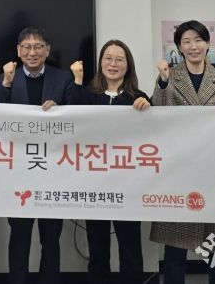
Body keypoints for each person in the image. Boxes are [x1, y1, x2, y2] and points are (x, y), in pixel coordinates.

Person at [149, 20, 215, 284]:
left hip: (214, 173)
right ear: (179, 47)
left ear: (208, 44)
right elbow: (157, 114)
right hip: (180, 171)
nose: (193, 46)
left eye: (198, 40)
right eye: (186, 41)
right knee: (175, 250)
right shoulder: (169, 77)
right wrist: (163, 81)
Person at [0, 26, 73, 284]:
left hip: (53, 171)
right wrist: (6, 84)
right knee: (19, 235)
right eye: (26, 47)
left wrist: (61, 110)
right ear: (18, 51)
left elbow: (77, 115)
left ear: (47, 50)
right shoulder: (5, 79)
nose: (32, 52)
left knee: (51, 237)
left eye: (38, 46)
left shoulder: (63, 79)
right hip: (18, 172)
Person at [69, 39, 149, 284]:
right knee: (97, 247)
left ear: (128, 65)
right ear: (101, 63)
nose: (113, 64)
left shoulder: (138, 97)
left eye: (119, 59)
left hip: (128, 185)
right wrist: (77, 81)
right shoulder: (87, 95)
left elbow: (154, 135)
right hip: (95, 184)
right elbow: (71, 121)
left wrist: (149, 109)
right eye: (108, 58)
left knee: (130, 245)